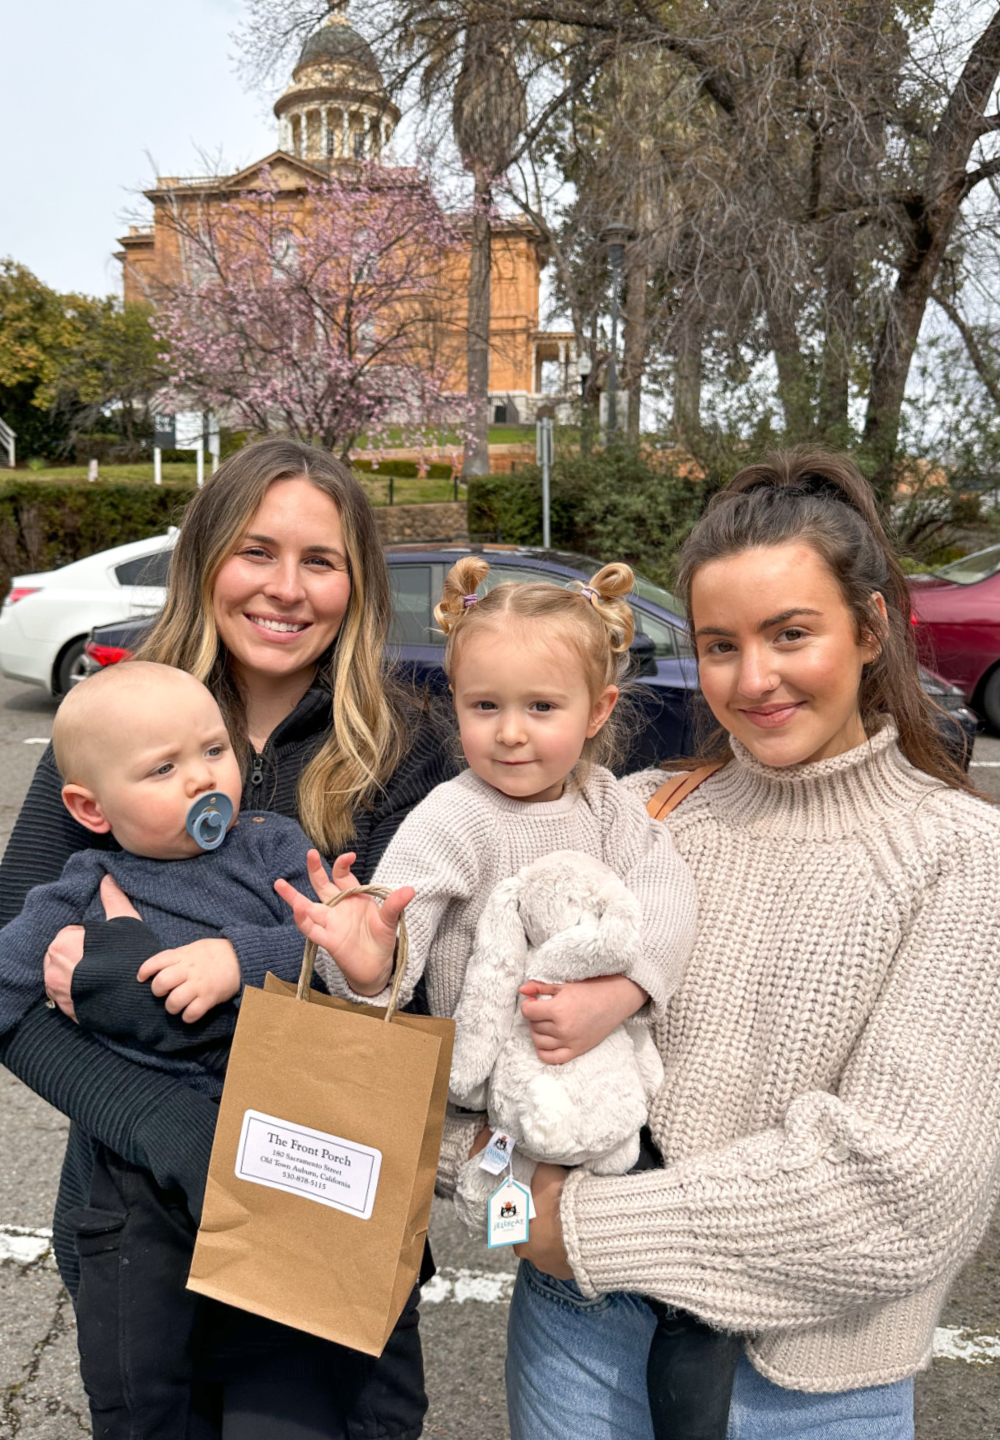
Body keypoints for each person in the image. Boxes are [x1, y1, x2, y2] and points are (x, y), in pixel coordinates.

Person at [497, 448, 1000, 1440]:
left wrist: (571, 1228)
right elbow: (487, 1014)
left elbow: (904, 1188)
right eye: (719, 645)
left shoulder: (969, 859)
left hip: (808, 1384)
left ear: (871, 627)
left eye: (792, 634)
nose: (755, 680)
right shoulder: (639, 815)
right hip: (583, 1341)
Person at [0, 438, 456, 1440]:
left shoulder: (410, 744)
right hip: (139, 1203)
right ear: (205, 560)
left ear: (356, 581)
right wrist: (172, 1130)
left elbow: (408, 995)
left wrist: (127, 982)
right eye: (256, 552)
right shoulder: (118, 722)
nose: (286, 589)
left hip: (324, 1213)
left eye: (320, 561)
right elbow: (13, 986)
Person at [280, 559, 737, 1430]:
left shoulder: (606, 803)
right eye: (484, 706)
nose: (510, 734)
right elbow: (398, 920)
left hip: (594, 1069)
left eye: (541, 707)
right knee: (526, 1230)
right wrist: (367, 955)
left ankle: (679, 1381)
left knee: (673, 1275)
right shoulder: (454, 815)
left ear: (598, 712)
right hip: (497, 1097)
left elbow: (668, 894)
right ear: (454, 705)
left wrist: (625, 990)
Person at [0, 661, 323, 1434]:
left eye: (213, 750)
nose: (203, 778)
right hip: (134, 1184)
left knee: (290, 1353)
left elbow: (340, 946)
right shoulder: (79, 891)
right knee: (143, 1380)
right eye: (164, 768)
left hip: (277, 1145)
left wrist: (240, 959)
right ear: (90, 808)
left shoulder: (274, 847)